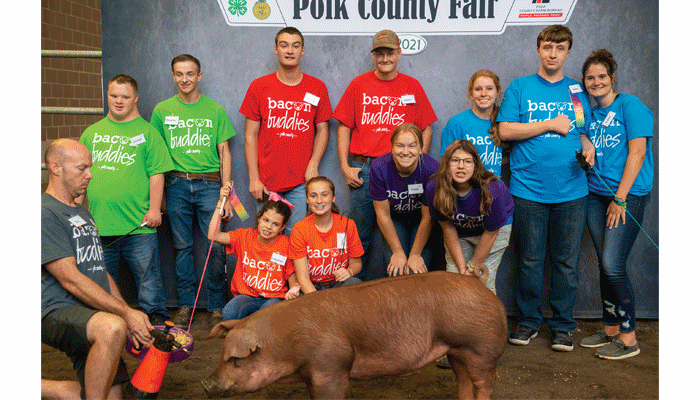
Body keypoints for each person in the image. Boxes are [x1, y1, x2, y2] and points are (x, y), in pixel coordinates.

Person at [496, 24, 595, 352]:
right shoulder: (520, 88)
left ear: (568, 52)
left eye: (560, 48)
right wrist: (549, 124)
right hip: (527, 191)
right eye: (548, 48)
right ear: (539, 50)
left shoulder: (576, 92)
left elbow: (582, 133)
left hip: (572, 191)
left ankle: (564, 325)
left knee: (566, 262)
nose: (553, 54)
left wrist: (589, 146)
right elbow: (506, 130)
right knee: (529, 260)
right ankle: (528, 322)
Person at [42, 139, 153, 400]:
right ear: (56, 167)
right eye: (82, 168)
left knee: (113, 394)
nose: (90, 175)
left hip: (88, 313)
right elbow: (71, 280)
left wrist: (129, 313)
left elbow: (99, 271)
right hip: (53, 310)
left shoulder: (83, 214)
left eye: (90, 167)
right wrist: (125, 314)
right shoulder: (45, 212)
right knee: (112, 327)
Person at [333, 29, 437, 281]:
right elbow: (344, 126)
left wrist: (418, 163)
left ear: (399, 54)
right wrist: (345, 166)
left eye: (389, 52)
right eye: (379, 53)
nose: (384, 58)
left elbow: (426, 127)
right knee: (361, 235)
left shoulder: (412, 86)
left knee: (405, 232)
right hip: (366, 169)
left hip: (402, 172)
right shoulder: (359, 84)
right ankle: (358, 290)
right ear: (374, 56)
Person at [79, 74, 173, 326]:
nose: (118, 101)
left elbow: (157, 174)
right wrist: (80, 214)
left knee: (148, 279)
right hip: (99, 224)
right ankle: (107, 322)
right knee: (100, 280)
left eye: (125, 97)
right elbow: (79, 176)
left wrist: (155, 209)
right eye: (113, 96)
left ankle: (157, 320)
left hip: (138, 224)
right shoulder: (91, 133)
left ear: (135, 99)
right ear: (107, 95)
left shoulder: (148, 132)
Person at [578, 49, 654, 360]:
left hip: (626, 195)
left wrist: (620, 198)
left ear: (612, 78)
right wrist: (585, 141)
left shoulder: (631, 105)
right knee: (604, 265)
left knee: (613, 264)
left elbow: (637, 153)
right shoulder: (590, 112)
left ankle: (628, 338)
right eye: (590, 77)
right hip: (596, 194)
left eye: (601, 77)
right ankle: (609, 328)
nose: (595, 82)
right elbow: (581, 132)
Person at [150, 54, 236, 328]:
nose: (184, 79)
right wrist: (161, 196)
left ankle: (216, 306)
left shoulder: (214, 110)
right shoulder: (162, 111)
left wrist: (226, 192)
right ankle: (186, 304)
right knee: (183, 247)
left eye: (190, 74)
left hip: (210, 184)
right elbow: (156, 156)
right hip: (176, 184)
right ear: (173, 76)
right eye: (179, 74)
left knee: (215, 245)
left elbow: (225, 152)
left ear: (199, 77)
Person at [241, 27, 332, 236]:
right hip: (265, 182)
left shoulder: (317, 87)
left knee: (298, 240)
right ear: (276, 49)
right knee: (267, 239)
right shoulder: (259, 86)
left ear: (302, 51)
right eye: (284, 45)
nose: (289, 50)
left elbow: (323, 130)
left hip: (301, 182)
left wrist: (313, 165)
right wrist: (254, 177)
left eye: (295, 45)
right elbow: (250, 135)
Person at [205, 182, 297, 333]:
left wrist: (294, 289)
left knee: (268, 319)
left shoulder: (286, 244)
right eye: (266, 220)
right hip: (247, 295)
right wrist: (220, 202)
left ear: (282, 228)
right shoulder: (245, 236)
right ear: (259, 219)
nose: (268, 227)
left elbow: (292, 277)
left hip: (273, 297)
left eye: (275, 224)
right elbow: (213, 235)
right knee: (228, 315)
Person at [424, 140, 513, 294]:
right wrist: (461, 268)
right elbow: (448, 228)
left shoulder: (493, 190)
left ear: (475, 165)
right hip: (459, 231)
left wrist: (472, 267)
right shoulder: (434, 188)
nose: (461, 166)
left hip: (492, 232)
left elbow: (491, 233)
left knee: (482, 282)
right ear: (446, 163)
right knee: (455, 281)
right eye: (455, 160)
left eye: (467, 161)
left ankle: (486, 318)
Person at [368, 123, 440, 276]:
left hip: (422, 219)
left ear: (420, 148)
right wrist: (397, 252)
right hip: (395, 219)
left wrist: (415, 255)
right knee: (397, 271)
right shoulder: (379, 168)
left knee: (417, 271)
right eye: (400, 146)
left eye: (412, 146)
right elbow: (382, 214)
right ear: (392, 148)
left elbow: (428, 217)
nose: (406, 152)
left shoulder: (432, 169)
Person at [289, 176, 363, 294]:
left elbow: (357, 263)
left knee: (354, 282)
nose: (319, 201)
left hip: (339, 284)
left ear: (333, 197)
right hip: (312, 287)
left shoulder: (347, 224)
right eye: (313, 196)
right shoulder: (299, 229)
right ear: (307, 199)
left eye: (324, 195)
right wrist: (320, 304)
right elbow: (303, 278)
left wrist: (349, 272)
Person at [440, 70, 505, 177]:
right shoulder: (457, 123)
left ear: (497, 93)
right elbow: (445, 162)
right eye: (478, 89)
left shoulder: (503, 122)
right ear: (471, 94)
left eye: (489, 89)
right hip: (466, 189)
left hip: (494, 187)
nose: (483, 94)